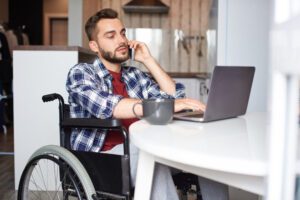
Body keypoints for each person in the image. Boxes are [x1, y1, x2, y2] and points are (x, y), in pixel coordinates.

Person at [66, 8, 228, 200]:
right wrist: (158, 106)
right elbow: (107, 106)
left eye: (122, 33)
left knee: (204, 151)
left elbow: (174, 96)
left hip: (141, 147)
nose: (121, 40)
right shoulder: (82, 73)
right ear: (94, 45)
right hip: (103, 159)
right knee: (150, 154)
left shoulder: (134, 75)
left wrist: (148, 60)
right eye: (111, 36)